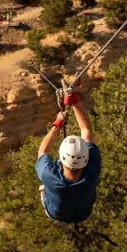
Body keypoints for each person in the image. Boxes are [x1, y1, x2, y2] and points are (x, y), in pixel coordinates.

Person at [36, 88, 102, 223]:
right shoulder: (92, 170)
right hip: (83, 213)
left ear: (61, 158)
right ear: (86, 158)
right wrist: (74, 101)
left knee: (44, 181)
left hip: (55, 213)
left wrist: (57, 124)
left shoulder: (50, 175)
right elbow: (86, 131)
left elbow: (42, 151)